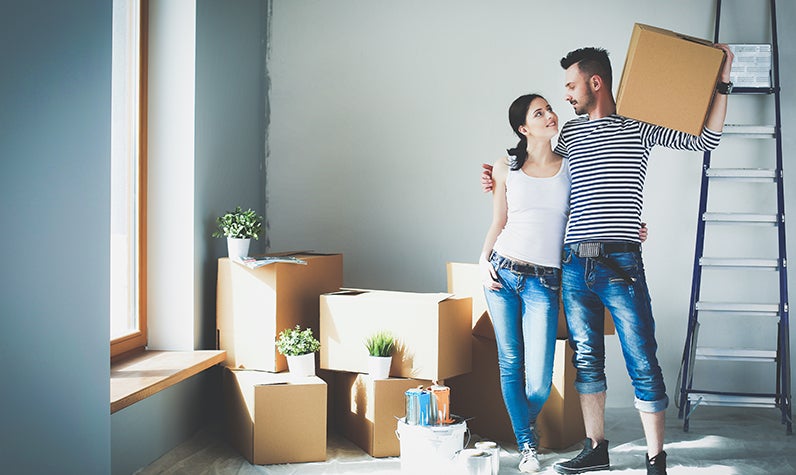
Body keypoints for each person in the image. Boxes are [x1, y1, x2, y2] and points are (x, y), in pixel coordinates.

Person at [481, 45, 734, 475]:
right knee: (587, 361)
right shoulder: (570, 135)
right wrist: (497, 179)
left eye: (571, 85)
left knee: (641, 357)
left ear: (594, 83)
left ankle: (656, 458)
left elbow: (706, 139)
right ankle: (596, 447)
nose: (566, 96)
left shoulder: (640, 128)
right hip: (574, 265)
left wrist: (722, 79)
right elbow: (535, 168)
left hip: (621, 264)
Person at [480, 93, 648, 473]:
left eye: (550, 109)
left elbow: (600, 204)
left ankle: (520, 422)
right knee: (510, 364)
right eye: (539, 114)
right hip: (502, 271)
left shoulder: (572, 165)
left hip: (545, 280)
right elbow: (499, 221)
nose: (551, 115)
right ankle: (527, 444)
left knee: (538, 382)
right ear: (524, 128)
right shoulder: (506, 167)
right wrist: (481, 260)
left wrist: (628, 226)